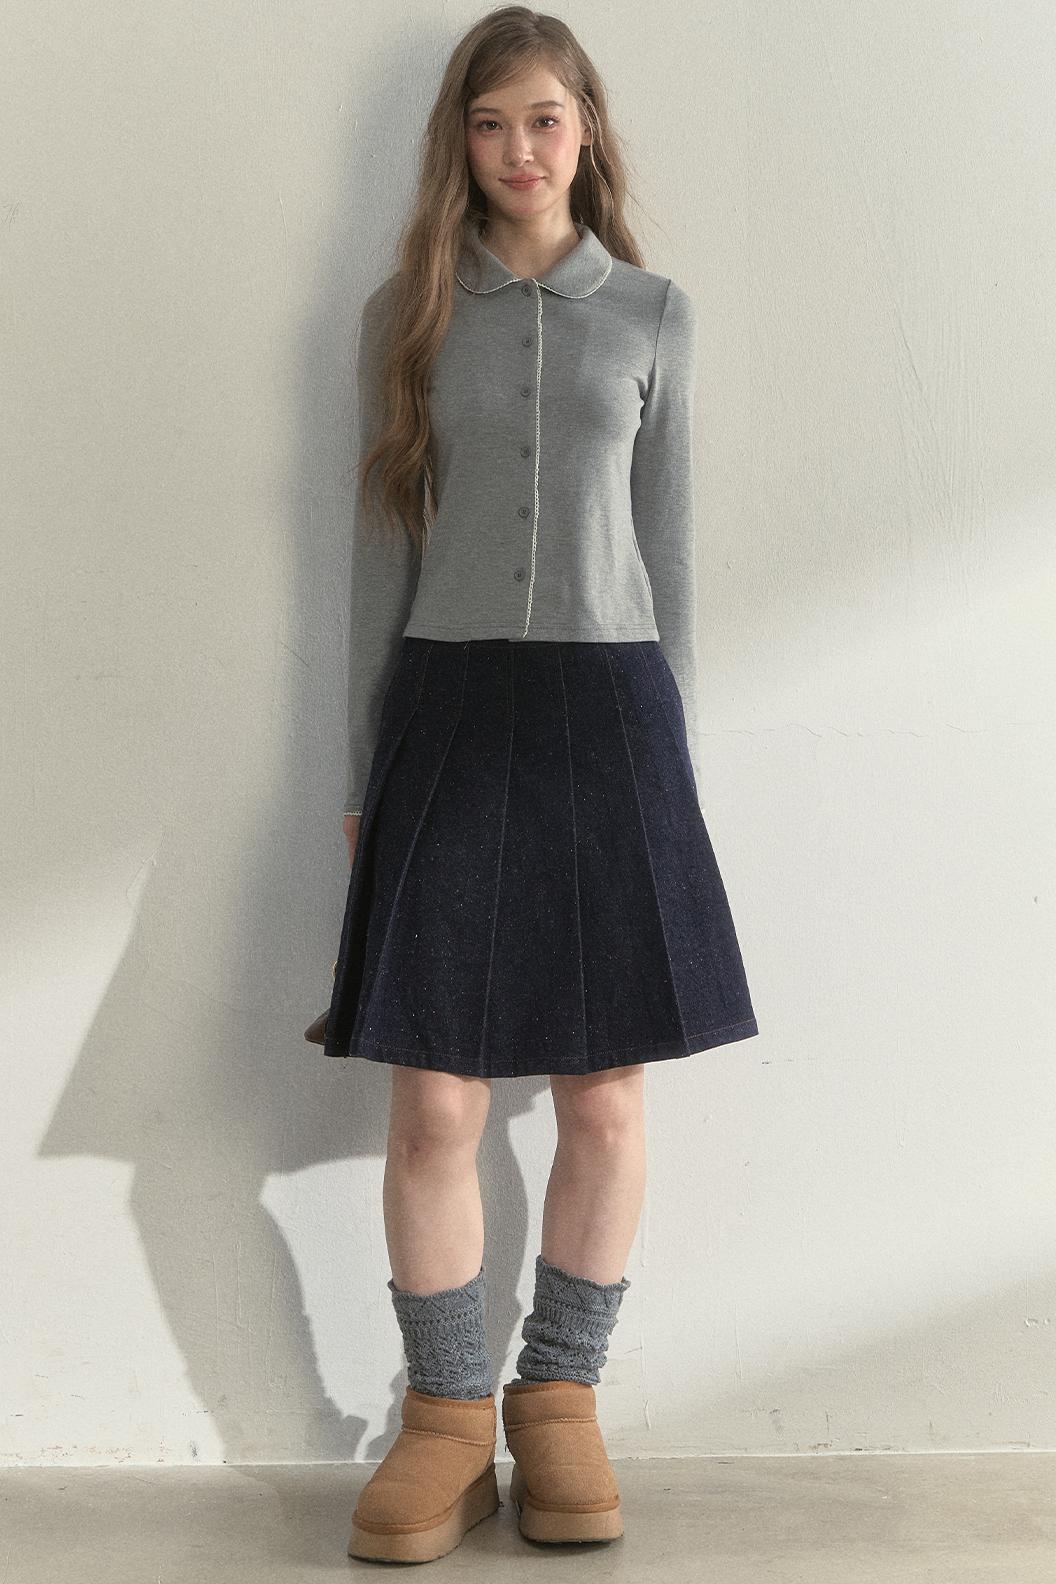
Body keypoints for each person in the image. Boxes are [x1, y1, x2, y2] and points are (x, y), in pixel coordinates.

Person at [323, 4, 759, 1563]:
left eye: (545, 120)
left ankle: (559, 1400)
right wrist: (361, 775)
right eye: (492, 121)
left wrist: (673, 768)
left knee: (604, 1094)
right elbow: (374, 563)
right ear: (463, 139)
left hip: (608, 712)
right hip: (446, 711)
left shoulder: (653, 314)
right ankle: (447, 1422)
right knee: (434, 1099)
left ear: (586, 133)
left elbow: (671, 562)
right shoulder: (407, 314)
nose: (520, 148)